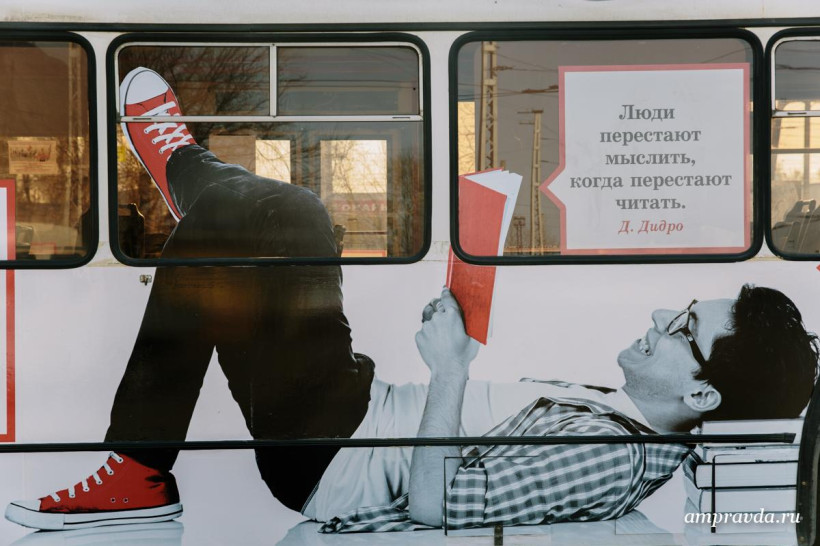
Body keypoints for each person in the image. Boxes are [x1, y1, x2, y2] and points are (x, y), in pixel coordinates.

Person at [5, 68, 819, 533]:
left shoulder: (616, 453)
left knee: (295, 214)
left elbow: (438, 506)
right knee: (243, 231)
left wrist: (451, 370)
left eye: (684, 328)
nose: (659, 318)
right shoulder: (627, 419)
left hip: (334, 453)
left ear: (702, 395)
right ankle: (195, 203)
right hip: (350, 413)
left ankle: (140, 464)